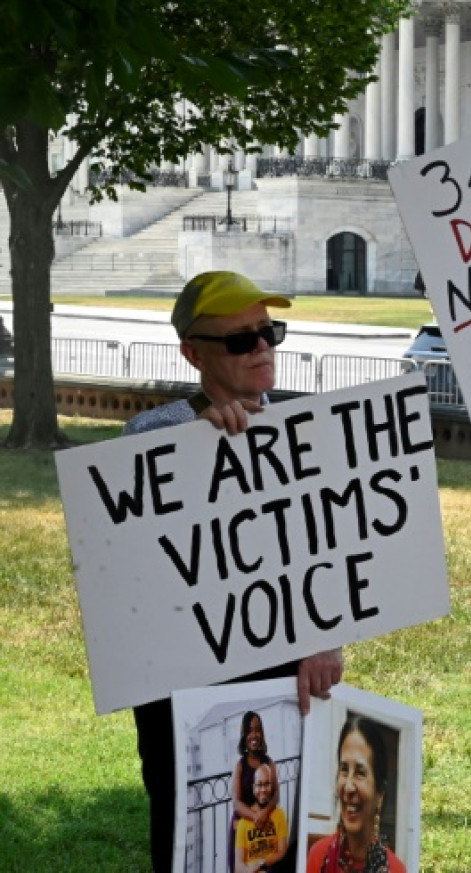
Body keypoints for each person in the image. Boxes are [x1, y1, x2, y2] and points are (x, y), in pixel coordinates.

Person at [126, 271, 345, 872]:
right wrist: (201, 452)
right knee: (195, 847)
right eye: (242, 340)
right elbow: (128, 579)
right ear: (193, 353)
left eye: (268, 332)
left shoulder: (303, 437)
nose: (262, 349)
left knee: (285, 844)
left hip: (287, 684)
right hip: (185, 696)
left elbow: (328, 555)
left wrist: (325, 638)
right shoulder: (153, 436)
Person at [307, 715, 406, 873]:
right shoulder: (317, 857)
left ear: (379, 794)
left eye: (360, 773)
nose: (348, 787)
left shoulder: (395, 869)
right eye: (344, 770)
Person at [229, 711, 278, 872]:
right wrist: (256, 817)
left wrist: (264, 814)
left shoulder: (268, 762)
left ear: (262, 733)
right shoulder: (240, 765)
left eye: (257, 730)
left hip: (262, 830)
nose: (254, 735)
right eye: (249, 731)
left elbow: (276, 795)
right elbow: (236, 802)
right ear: (244, 735)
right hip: (243, 826)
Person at [234, 764, 288, 873]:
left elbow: (282, 852)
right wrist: (249, 870)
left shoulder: (279, 814)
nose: (263, 790)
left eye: (267, 784)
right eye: (259, 785)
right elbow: (238, 866)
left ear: (272, 786)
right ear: (254, 788)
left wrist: (261, 863)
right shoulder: (243, 822)